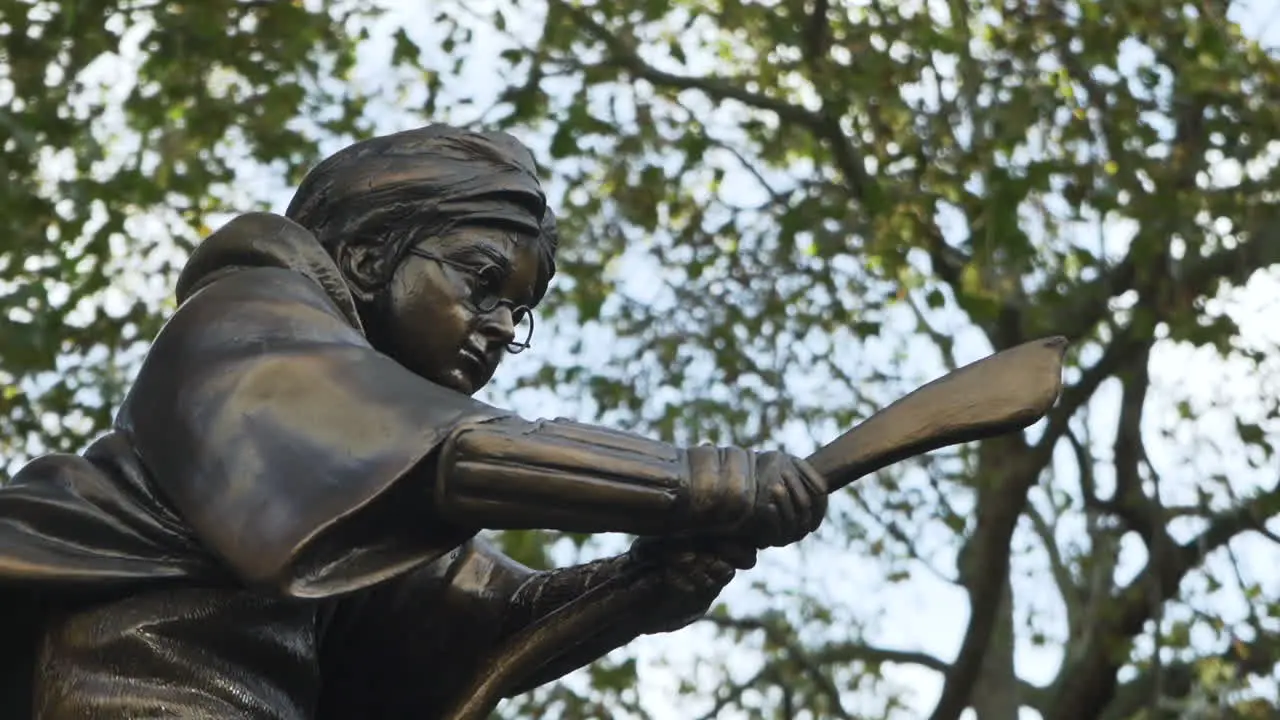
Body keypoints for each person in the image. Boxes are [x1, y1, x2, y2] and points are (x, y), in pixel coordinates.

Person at [0, 125, 827, 718]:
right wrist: (696, 483)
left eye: (519, 310)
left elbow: (479, 622)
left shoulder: (361, 495)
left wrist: (637, 589)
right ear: (367, 259)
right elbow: (456, 456)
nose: (503, 325)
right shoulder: (247, 328)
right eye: (481, 279)